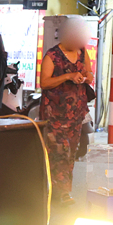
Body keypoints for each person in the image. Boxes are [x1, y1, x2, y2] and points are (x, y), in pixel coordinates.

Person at [40, 16, 94, 206]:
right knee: (57, 151)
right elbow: (44, 82)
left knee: (71, 152)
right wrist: (68, 76)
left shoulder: (82, 52)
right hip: (55, 113)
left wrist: (84, 77)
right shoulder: (52, 55)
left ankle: (62, 191)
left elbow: (90, 75)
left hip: (76, 113)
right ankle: (58, 192)